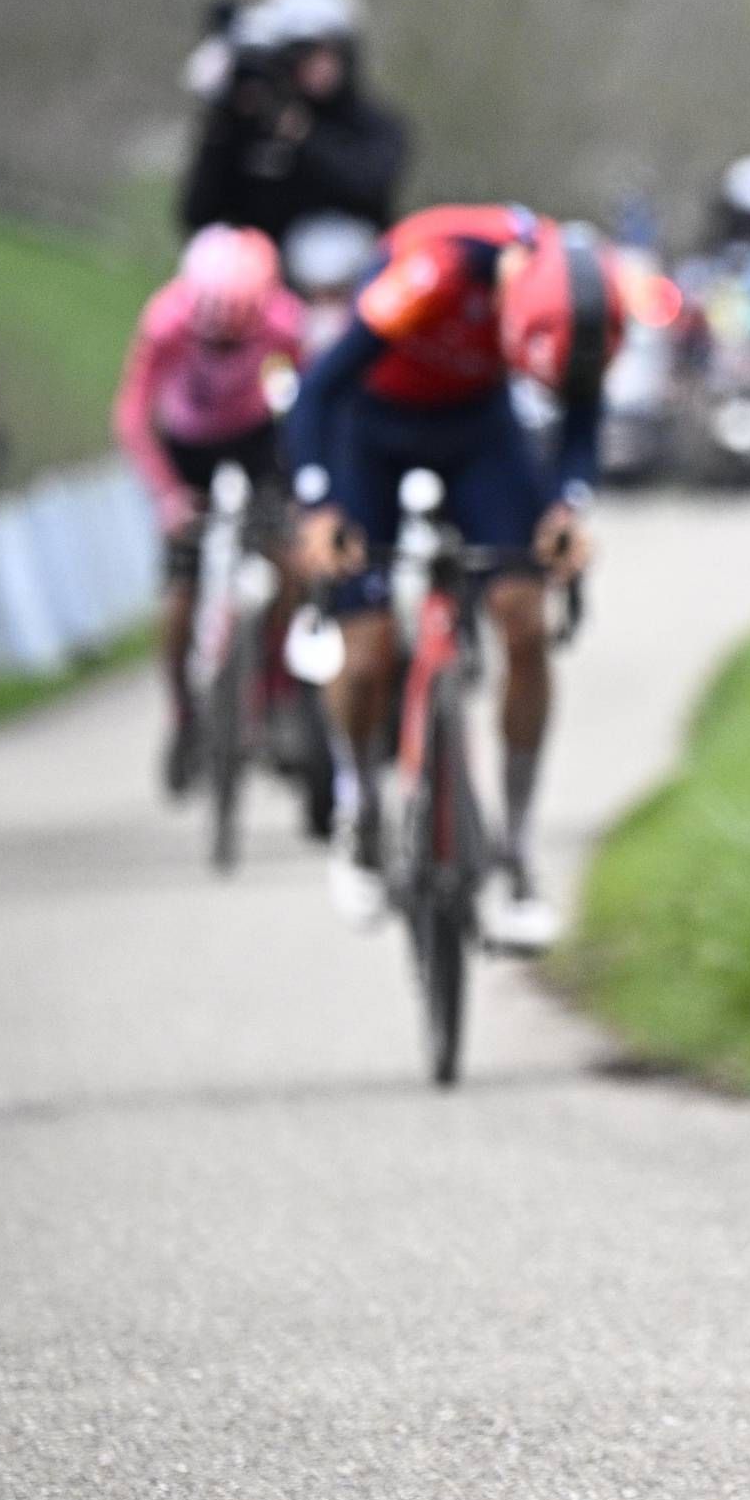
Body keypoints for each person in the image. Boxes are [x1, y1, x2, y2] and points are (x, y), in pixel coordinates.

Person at [287, 204, 614, 950]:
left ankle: (517, 850)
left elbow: (583, 406)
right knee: (366, 651)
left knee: (525, 620)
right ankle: (357, 804)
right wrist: (319, 506)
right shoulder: (432, 275)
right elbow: (319, 391)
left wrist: (569, 506)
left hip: (478, 432)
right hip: (370, 431)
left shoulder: (583, 286)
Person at [114, 225, 305, 795]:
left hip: (256, 439)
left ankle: (280, 695)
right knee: (178, 599)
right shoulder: (165, 322)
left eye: (233, 339)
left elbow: (308, 405)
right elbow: (131, 414)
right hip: (188, 446)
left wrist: (303, 486)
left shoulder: (285, 324)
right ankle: (183, 716)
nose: (222, 348)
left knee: (290, 566)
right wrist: (167, 494)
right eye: (213, 339)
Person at [179, 0, 411, 244]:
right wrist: (225, 125)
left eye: (332, 53)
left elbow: (371, 186)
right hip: (265, 272)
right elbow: (198, 214)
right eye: (308, 53)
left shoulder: (373, 125)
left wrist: (304, 137)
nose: (322, 66)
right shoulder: (251, 121)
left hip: (350, 269)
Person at [282, 211, 379, 360]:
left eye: (335, 294)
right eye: (316, 295)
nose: (326, 307)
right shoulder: (288, 332)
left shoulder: (372, 330)